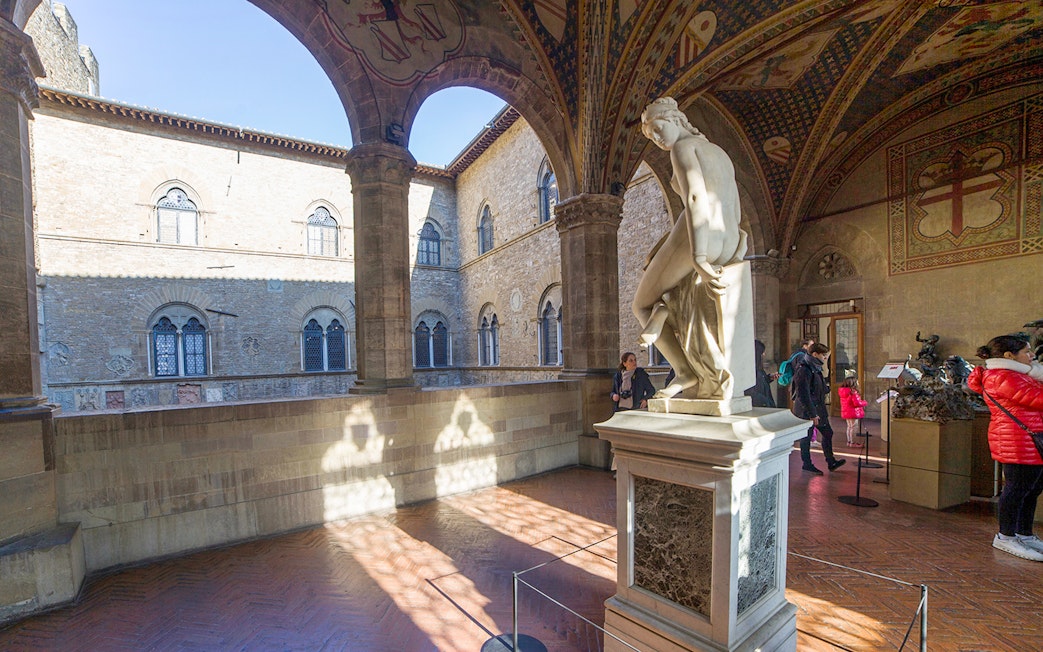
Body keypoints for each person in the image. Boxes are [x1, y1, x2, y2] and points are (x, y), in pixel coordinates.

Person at [633, 97, 748, 400]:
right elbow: (734, 204)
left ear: (676, 120)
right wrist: (730, 246)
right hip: (727, 236)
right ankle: (666, 306)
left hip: (696, 235)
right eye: (650, 135)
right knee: (667, 273)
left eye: (658, 128)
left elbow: (695, 197)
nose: (657, 139)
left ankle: (683, 371)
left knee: (640, 304)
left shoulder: (684, 148)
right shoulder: (720, 153)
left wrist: (698, 257)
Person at [967, 335, 1043, 562]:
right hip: (1017, 441)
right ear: (1009, 356)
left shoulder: (1018, 375)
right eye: (1027, 351)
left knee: (1032, 489)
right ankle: (1006, 536)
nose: (1031, 356)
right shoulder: (1003, 377)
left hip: (1031, 440)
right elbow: (1038, 399)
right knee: (1017, 489)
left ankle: (1024, 533)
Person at [791, 342, 845, 474]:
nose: (825, 358)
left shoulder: (815, 366)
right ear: (815, 354)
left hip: (818, 407)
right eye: (824, 355)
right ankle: (807, 464)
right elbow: (803, 394)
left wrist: (826, 388)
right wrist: (812, 414)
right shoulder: (804, 369)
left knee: (828, 433)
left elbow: (817, 386)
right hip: (808, 410)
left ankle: (831, 461)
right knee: (806, 438)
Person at [744, 339, 777, 408]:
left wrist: (768, 378)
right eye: (762, 352)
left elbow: (760, 382)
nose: (764, 354)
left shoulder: (759, 368)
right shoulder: (748, 369)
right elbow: (749, 391)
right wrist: (766, 401)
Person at [837, 376, 867, 447]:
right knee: (854, 427)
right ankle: (853, 442)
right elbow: (857, 403)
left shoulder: (843, 391)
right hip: (853, 412)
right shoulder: (853, 392)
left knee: (849, 427)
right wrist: (864, 402)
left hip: (846, 411)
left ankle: (849, 441)